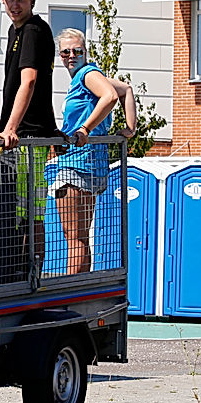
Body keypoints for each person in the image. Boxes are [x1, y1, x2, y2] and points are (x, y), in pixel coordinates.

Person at [52, 28, 138, 274]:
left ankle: (70, 292)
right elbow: (125, 89)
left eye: (77, 51)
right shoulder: (90, 75)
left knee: (73, 238)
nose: (71, 56)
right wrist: (130, 129)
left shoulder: (86, 74)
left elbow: (110, 96)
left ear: (85, 52)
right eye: (65, 52)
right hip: (93, 164)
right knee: (80, 238)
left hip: (76, 163)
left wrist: (84, 129)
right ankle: (81, 288)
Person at [0, 0, 58, 268]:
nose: (15, 5)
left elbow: (29, 81)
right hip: (22, 135)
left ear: (33, 0)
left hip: (28, 137)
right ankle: (22, 272)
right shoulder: (15, 30)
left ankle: (30, 274)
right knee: (19, 211)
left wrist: (11, 128)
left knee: (30, 212)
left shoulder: (33, 30)